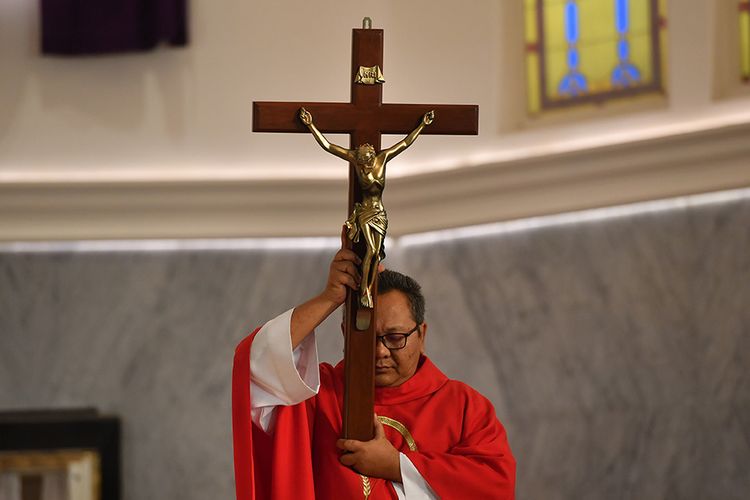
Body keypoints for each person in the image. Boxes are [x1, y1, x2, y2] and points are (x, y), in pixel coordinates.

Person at [232, 244, 516, 499]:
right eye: (366, 339)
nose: (379, 352)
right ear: (345, 335)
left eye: (394, 338)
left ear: (422, 335)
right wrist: (330, 298)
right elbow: (258, 364)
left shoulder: (465, 407)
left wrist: (394, 465)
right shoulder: (318, 394)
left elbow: (495, 485)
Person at [299, 107, 433, 309]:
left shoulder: (383, 158)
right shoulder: (355, 161)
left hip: (379, 213)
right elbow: (328, 146)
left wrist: (422, 125)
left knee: (376, 253)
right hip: (365, 213)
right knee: (370, 250)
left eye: (369, 155)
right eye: (364, 157)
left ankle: (368, 287)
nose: (368, 158)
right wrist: (311, 125)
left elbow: (405, 143)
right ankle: (365, 291)